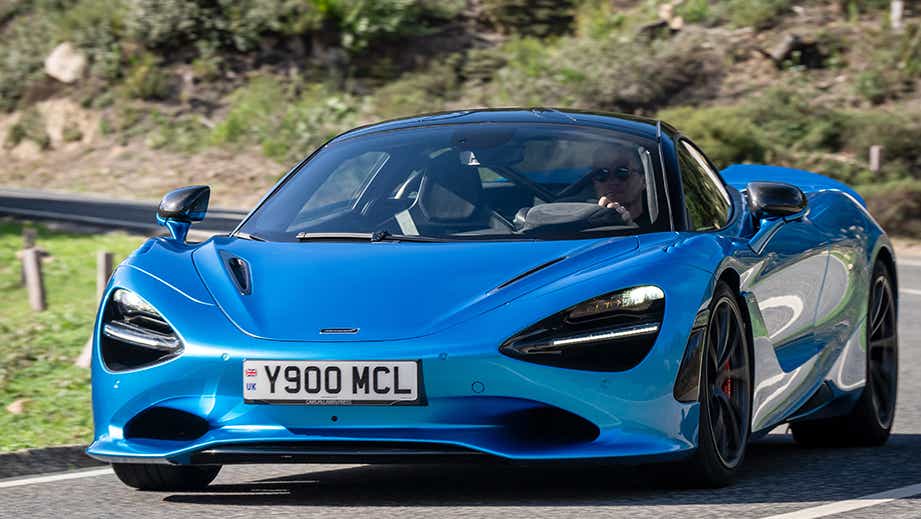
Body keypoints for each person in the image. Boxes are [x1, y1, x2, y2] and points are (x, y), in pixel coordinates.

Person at [590, 146, 649, 227]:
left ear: (644, 180)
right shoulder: (582, 219)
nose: (612, 181)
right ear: (594, 182)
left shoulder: (664, 223)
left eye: (622, 172)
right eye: (601, 174)